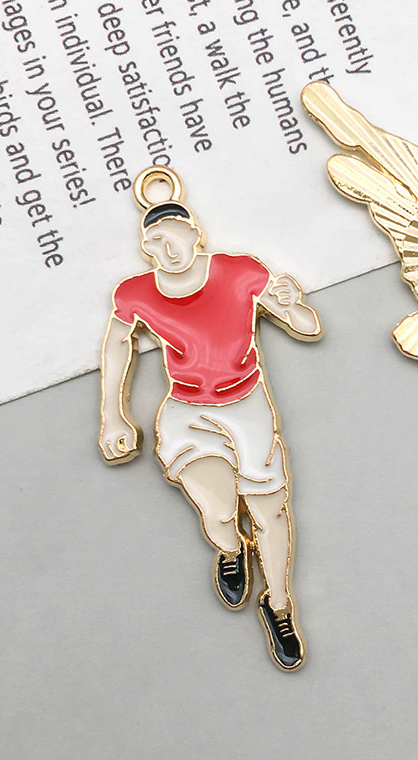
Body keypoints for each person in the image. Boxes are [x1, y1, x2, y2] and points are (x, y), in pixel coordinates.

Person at [99, 167, 321, 671]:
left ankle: (279, 606)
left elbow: (307, 326)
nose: (167, 249)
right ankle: (229, 549)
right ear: (145, 250)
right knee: (220, 512)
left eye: (173, 235)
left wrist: (294, 305)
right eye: (154, 242)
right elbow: (116, 343)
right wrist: (113, 415)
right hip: (188, 414)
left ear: (194, 232)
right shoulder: (135, 293)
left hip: (247, 406)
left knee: (271, 511)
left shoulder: (240, 272)